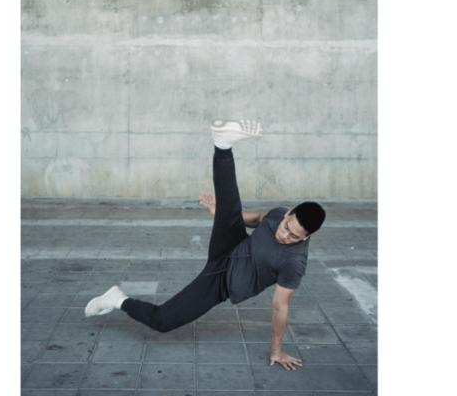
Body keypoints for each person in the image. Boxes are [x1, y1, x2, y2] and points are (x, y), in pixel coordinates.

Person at [84, 119, 326, 371]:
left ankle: (117, 299)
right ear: (288, 215)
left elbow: (279, 307)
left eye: (294, 236)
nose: (285, 235)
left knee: (163, 321)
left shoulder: (294, 263)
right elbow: (257, 219)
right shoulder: (279, 214)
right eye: (287, 227)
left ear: (306, 238)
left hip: (223, 280)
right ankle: (223, 145)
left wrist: (276, 350)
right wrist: (222, 215)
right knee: (231, 204)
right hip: (231, 244)